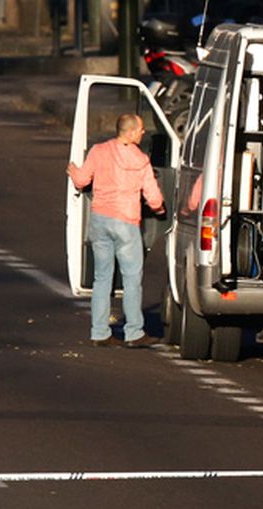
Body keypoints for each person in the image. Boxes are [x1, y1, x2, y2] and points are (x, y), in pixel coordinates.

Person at [67, 113, 165, 348]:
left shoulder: (98, 151)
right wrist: (160, 209)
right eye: (140, 129)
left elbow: (81, 181)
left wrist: (73, 170)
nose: (143, 132)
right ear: (130, 133)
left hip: (100, 220)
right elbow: (153, 197)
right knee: (132, 279)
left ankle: (99, 332)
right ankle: (134, 332)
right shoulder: (140, 160)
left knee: (102, 277)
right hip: (126, 222)